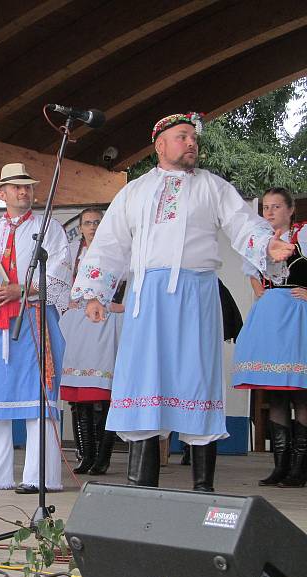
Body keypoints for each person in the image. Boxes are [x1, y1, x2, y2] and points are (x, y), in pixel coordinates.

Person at [72, 112, 295, 492]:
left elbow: (243, 223)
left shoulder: (212, 186)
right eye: (182, 137)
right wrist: (94, 293)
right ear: (160, 144)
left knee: (198, 377)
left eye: (194, 138)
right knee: (145, 377)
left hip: (196, 295)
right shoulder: (136, 191)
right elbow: (110, 243)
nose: (191, 143)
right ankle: (142, 487)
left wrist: (267, 244)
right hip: (147, 299)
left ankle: (202, 487)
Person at [0, 163, 71, 493]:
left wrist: (21, 289)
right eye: (16, 187)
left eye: (28, 186)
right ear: (2, 193)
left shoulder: (49, 228)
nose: (24, 191)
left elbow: (60, 273)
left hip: (34, 320)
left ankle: (40, 478)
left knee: (37, 399)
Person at [233, 188, 307, 487]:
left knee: (300, 391)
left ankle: (300, 468)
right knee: (275, 391)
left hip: (298, 315)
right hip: (269, 317)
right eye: (266, 207)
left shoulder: (303, 234)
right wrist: (256, 287)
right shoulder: (259, 241)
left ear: (291, 210)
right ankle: (281, 466)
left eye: (277, 206)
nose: (270, 212)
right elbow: (252, 272)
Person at [59, 208, 124, 476]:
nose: (93, 227)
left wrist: (123, 305)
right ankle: (85, 454)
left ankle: (102, 456)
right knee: (78, 396)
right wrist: (67, 302)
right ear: (81, 227)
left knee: (102, 394)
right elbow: (59, 285)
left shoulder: (118, 251)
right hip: (77, 322)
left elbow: (130, 282)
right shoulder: (73, 253)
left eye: (98, 222)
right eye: (88, 223)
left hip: (106, 321)